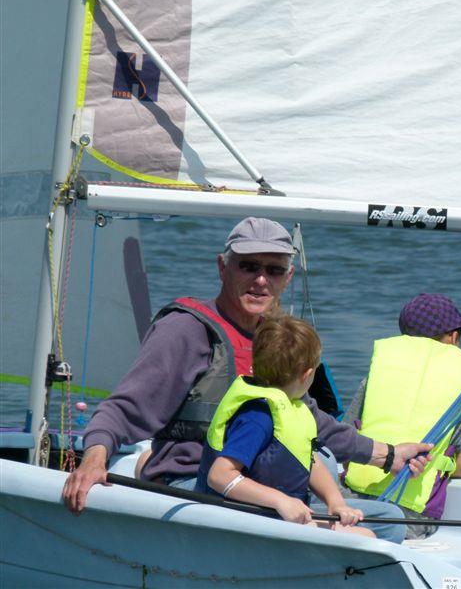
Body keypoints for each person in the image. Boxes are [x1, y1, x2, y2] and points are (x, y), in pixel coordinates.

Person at [62, 217, 431, 543]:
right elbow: (124, 408)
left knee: (389, 522)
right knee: (336, 531)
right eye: (248, 266)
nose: (260, 279)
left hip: (266, 489)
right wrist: (94, 459)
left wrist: (388, 455)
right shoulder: (186, 330)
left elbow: (310, 423)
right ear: (223, 267)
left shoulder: (274, 338)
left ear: (287, 278)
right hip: (200, 487)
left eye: (273, 270)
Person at [197, 314, 374, 538]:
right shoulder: (257, 416)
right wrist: (281, 501)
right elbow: (219, 475)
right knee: (365, 537)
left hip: (278, 517)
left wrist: (336, 502)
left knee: (370, 529)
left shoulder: (293, 409)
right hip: (244, 521)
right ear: (308, 375)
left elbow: (310, 460)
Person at [343, 293, 461, 539]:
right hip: (411, 517)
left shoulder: (377, 376)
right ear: (454, 337)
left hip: (352, 502)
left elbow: (347, 447)